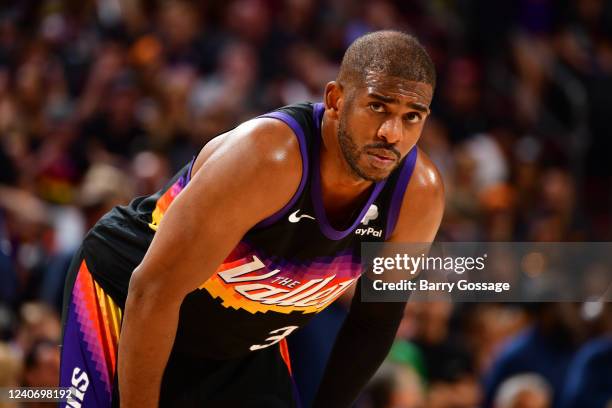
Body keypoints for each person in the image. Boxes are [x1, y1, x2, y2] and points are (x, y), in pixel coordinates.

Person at [59, 30, 444, 407]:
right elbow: (153, 290)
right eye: (378, 107)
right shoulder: (269, 158)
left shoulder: (418, 194)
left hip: (238, 350)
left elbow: (374, 322)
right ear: (336, 99)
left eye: (412, 116)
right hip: (129, 301)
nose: (391, 133)